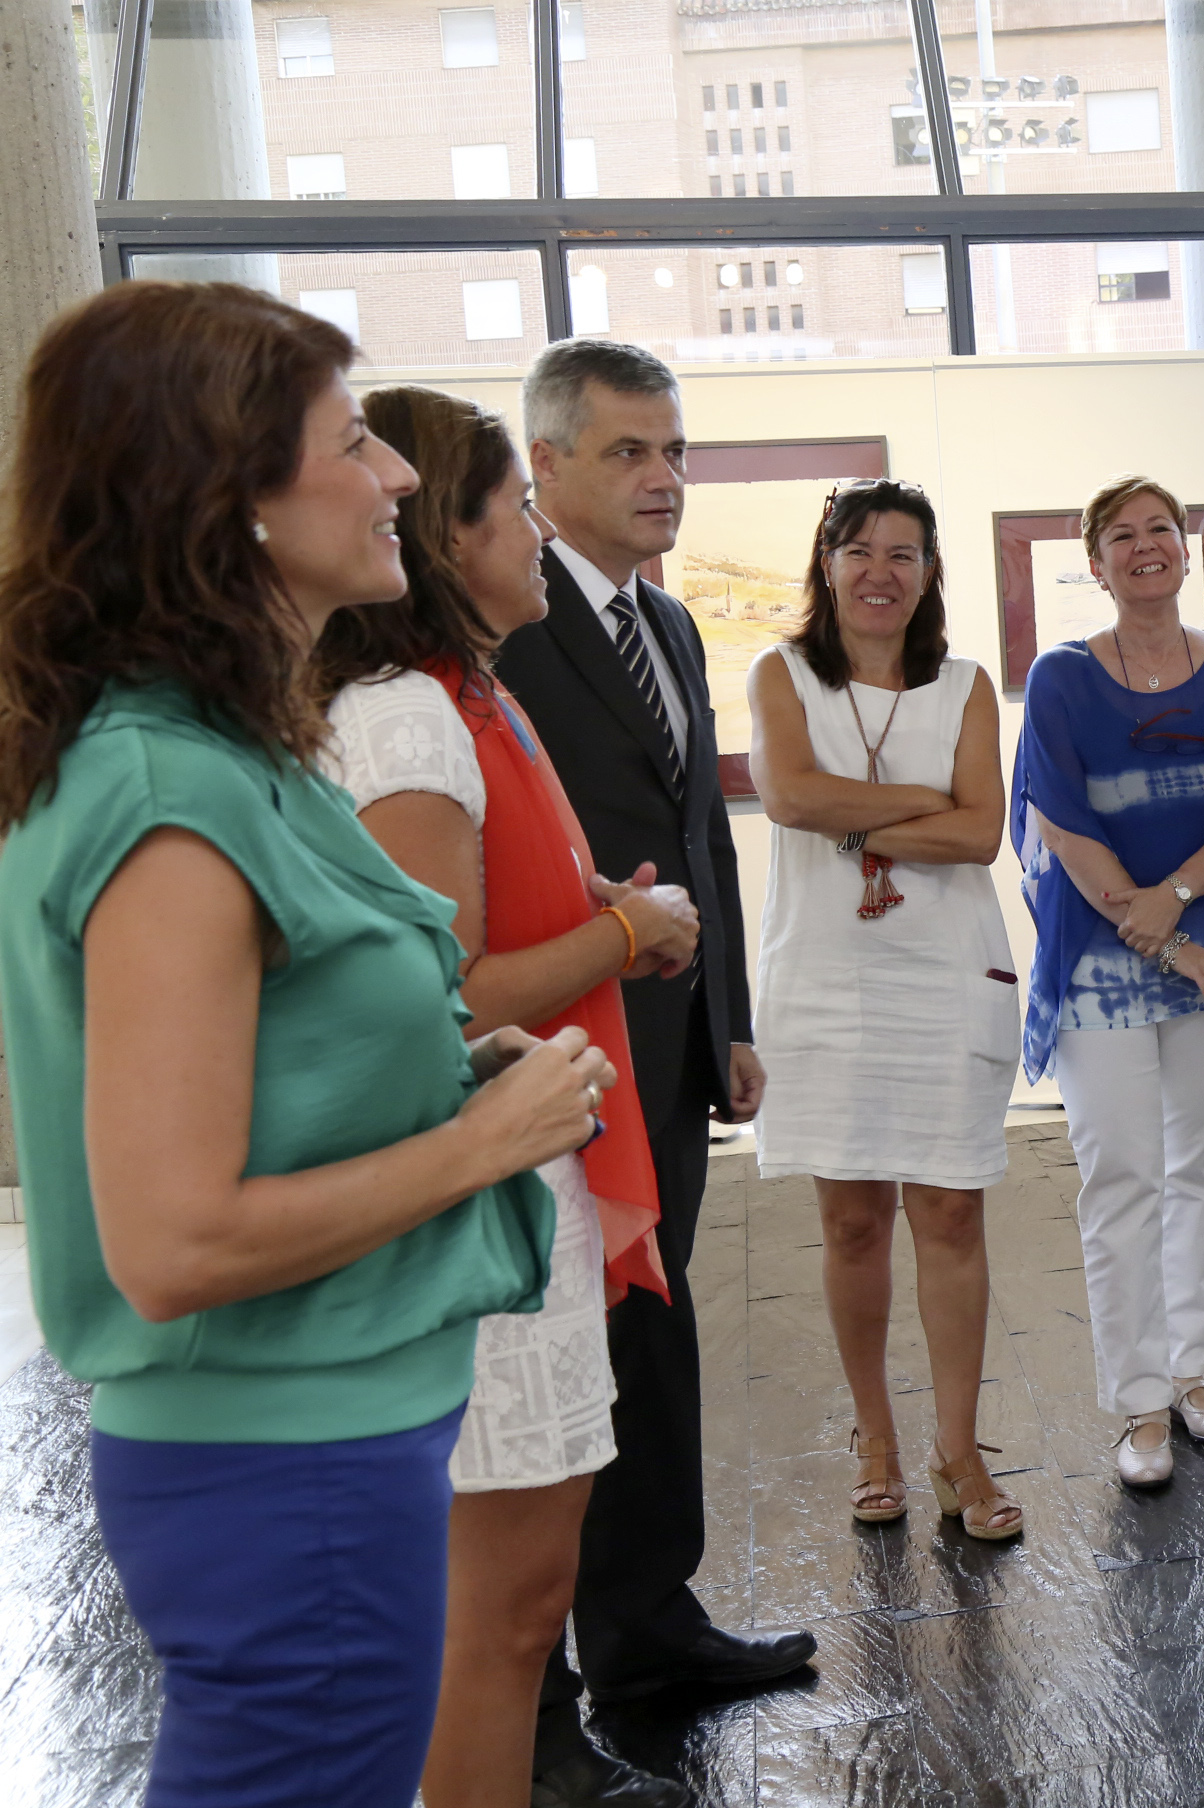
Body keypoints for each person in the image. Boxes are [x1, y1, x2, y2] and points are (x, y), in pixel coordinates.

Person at [0, 281, 616, 1807]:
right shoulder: (171, 794)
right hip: (286, 1463)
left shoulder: (230, 754)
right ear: (232, 503)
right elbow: (175, 1240)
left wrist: (453, 1076)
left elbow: (278, 1067)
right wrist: (478, 1144)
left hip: (330, 1439)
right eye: (353, 443)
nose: (397, 471)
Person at [311, 386, 705, 1808]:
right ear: (449, 543)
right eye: (516, 510)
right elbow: (451, 994)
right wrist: (625, 933)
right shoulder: (411, 719)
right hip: (482, 1181)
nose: (537, 534)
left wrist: (596, 907)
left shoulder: (470, 697)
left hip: (523, 1160)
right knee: (498, 1613)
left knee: (519, 1604)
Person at [492, 340, 811, 1792]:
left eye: (674, 449)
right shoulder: (506, 626)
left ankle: (646, 1625)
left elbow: (700, 844)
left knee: (652, 1330)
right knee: (558, 1359)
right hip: (547, 1051)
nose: (665, 477)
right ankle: (535, 1690)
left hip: (669, 1047)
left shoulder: (669, 624)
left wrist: (728, 1019)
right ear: (545, 465)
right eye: (629, 451)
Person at [745, 479, 1025, 1540]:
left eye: (903, 554)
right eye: (859, 551)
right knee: (852, 1220)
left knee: (950, 1213)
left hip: (944, 975)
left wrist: (859, 821)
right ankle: (876, 1437)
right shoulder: (780, 675)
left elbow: (981, 834)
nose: (879, 573)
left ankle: (959, 1449)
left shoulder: (965, 686)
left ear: (929, 572)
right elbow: (790, 797)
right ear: (826, 565)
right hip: (825, 979)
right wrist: (923, 804)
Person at [1012, 475, 1204, 1488]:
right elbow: (1063, 826)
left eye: (1160, 529)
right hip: (1101, 962)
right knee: (1123, 1177)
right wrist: (1167, 936)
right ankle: (1138, 1401)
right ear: (1095, 564)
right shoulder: (1061, 678)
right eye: (1121, 536)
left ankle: (1190, 1373)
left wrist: (1175, 897)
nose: (1145, 547)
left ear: (1186, 547)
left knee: (1197, 1170)